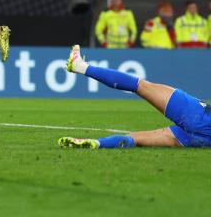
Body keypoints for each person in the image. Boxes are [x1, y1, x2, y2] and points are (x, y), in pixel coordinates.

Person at [60, 44, 211, 148]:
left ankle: (80, 66)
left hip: (201, 116)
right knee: (135, 139)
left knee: (139, 85)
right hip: (204, 140)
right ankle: (97, 143)